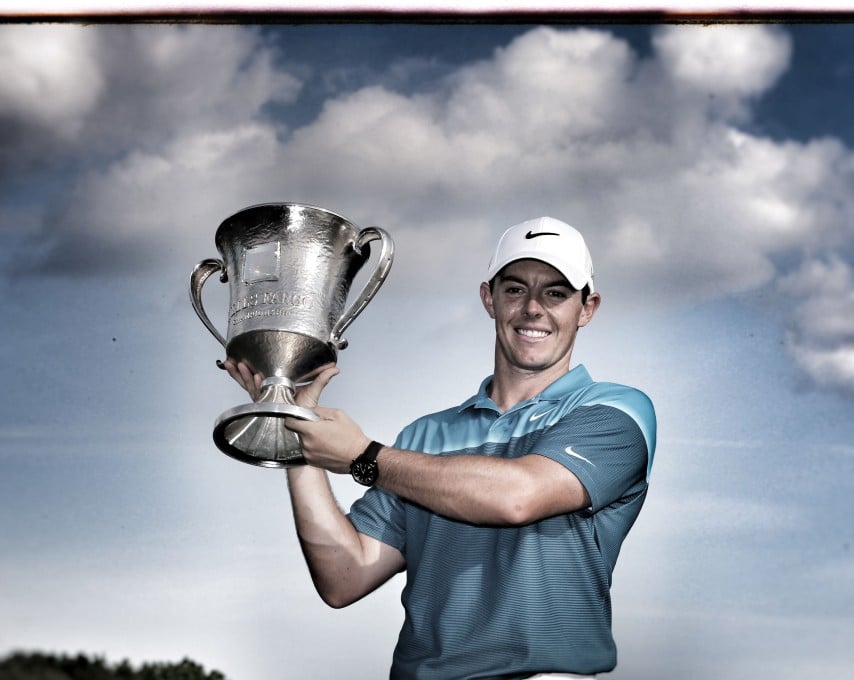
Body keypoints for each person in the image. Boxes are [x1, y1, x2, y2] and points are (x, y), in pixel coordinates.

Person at [225, 216, 657, 680]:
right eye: (515, 289)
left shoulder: (616, 410)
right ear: (488, 298)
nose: (533, 308)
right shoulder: (423, 439)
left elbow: (517, 496)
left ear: (587, 307)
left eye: (556, 293)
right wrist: (298, 432)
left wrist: (365, 457)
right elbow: (343, 576)